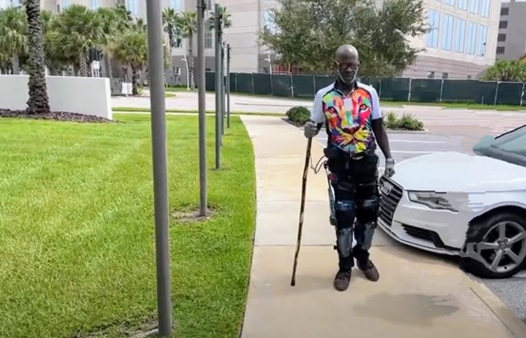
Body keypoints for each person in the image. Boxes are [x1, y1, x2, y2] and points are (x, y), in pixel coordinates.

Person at [304, 44, 395, 291]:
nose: (349, 69)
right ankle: (345, 267)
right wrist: (308, 130)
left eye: (353, 65)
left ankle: (362, 257)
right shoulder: (324, 96)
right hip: (340, 169)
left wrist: (389, 158)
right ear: (336, 65)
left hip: (366, 166)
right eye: (345, 64)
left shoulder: (369, 94)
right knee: (344, 221)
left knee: (368, 220)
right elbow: (314, 125)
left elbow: (378, 127)